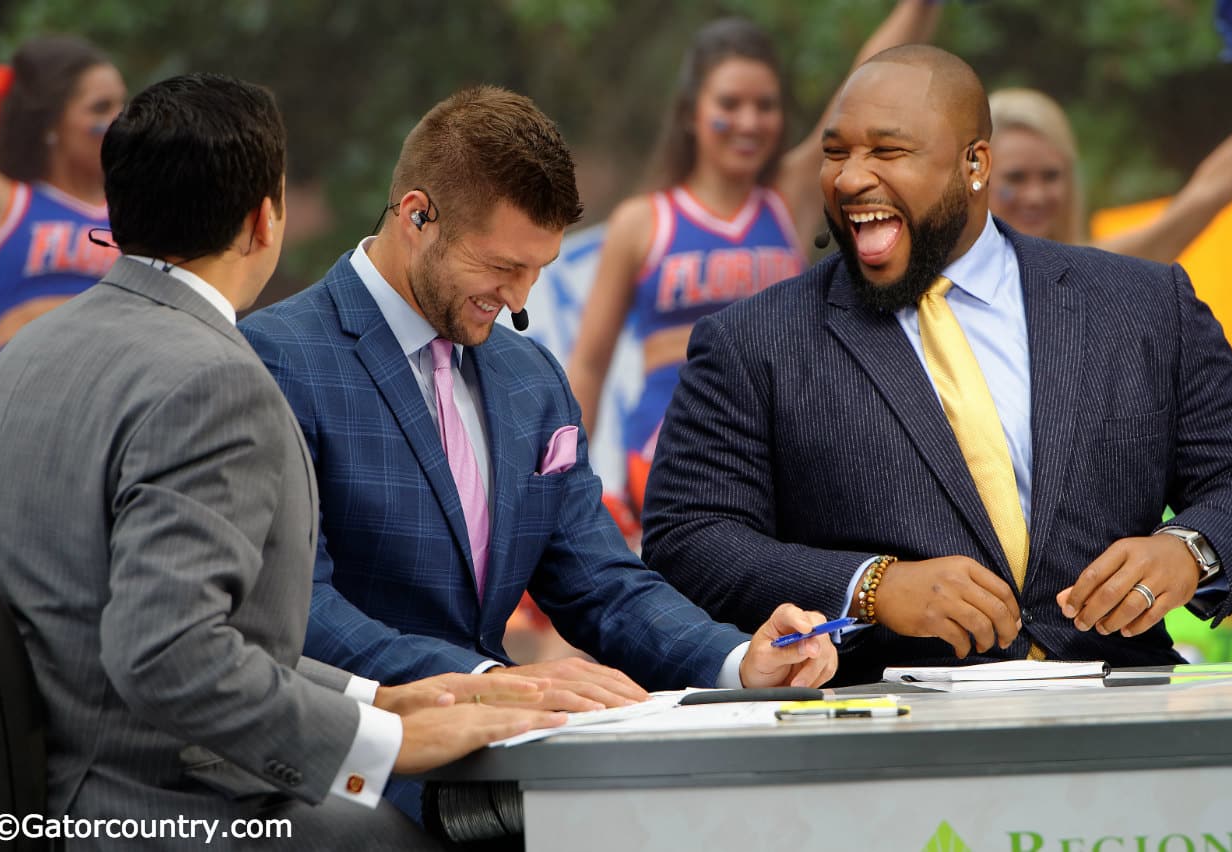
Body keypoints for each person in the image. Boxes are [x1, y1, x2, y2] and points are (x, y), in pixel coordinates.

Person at [0, 72, 571, 852]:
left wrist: (378, 701)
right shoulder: (215, 379)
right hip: (151, 809)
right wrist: (381, 747)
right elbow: (168, 653)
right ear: (267, 218)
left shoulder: (25, 353)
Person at [239, 84, 838, 819]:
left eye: (539, 270)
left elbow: (600, 580)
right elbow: (298, 607)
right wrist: (493, 679)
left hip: (518, 769)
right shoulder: (272, 359)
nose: (520, 299)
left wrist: (738, 660)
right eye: (500, 266)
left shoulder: (531, 375)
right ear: (417, 215)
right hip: (355, 780)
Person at [642, 45, 1232, 687]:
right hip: (882, 735)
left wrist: (1191, 550)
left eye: (887, 151)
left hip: (1123, 716)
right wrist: (870, 587)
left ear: (975, 163)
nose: (851, 178)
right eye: (836, 152)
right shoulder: (752, 341)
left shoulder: (1142, 305)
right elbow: (688, 536)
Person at [565, 2, 942, 524]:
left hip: (780, 453)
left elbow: (863, 86)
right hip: (664, 461)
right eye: (730, 103)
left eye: (765, 105)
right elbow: (588, 365)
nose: (749, 121)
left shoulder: (787, 199)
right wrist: (564, 489)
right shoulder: (644, 221)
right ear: (692, 111)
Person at [987, 86, 1232, 264]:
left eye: (1050, 176)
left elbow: (1205, 196)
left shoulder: (1094, 271)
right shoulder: (950, 283)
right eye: (1015, 178)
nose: (1036, 196)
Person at [0, 36, 125, 357]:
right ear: (51, 122)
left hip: (111, 389)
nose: (121, 121)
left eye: (123, 105)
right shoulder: (7, 199)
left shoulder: (138, 209)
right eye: (101, 108)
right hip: (21, 382)